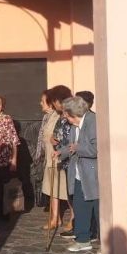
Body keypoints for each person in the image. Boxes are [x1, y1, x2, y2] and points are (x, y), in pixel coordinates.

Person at [56, 96, 98, 253]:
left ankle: (102, 241)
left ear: (71, 113)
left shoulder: (93, 122)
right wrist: (60, 152)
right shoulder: (74, 126)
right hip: (79, 173)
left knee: (97, 208)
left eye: (65, 114)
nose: (64, 117)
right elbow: (71, 146)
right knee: (80, 206)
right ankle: (82, 239)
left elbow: (96, 148)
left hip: (92, 174)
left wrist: (77, 148)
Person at [47, 85, 76, 237]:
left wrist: (60, 146)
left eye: (54, 101)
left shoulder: (71, 113)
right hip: (63, 157)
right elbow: (58, 135)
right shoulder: (60, 116)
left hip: (72, 157)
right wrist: (53, 140)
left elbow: (70, 136)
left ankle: (74, 219)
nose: (53, 105)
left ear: (59, 100)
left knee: (73, 191)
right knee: (70, 190)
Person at [36, 90, 67, 230]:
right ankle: (55, 218)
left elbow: (62, 135)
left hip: (59, 157)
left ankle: (72, 218)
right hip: (49, 157)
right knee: (52, 189)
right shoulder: (48, 116)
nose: (40, 103)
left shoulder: (60, 116)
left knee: (64, 189)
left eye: (43, 101)